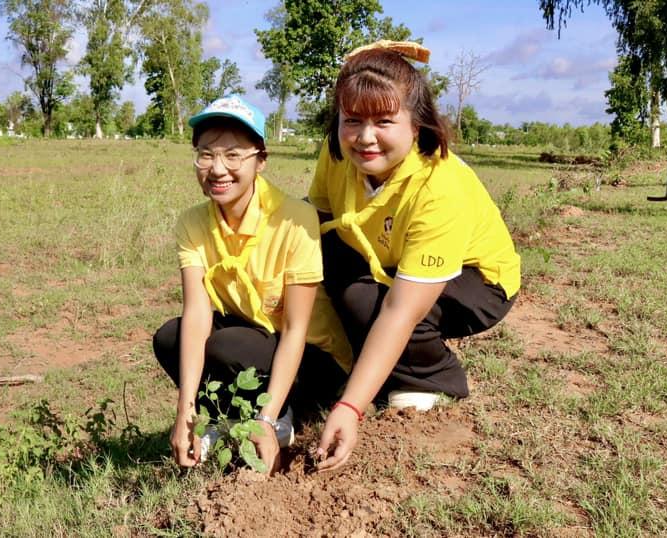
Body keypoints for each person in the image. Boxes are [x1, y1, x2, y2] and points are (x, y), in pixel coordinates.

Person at [307, 43, 521, 471]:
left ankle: (434, 378)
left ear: (416, 122)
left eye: (384, 121)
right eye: (353, 120)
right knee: (307, 258)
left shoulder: (440, 187)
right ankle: (347, 370)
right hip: (387, 260)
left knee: (369, 303)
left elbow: (401, 311)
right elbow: (316, 223)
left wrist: (351, 407)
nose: (365, 138)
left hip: (475, 280)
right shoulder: (336, 153)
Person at [152, 95, 352, 472]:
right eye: (206, 154)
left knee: (228, 345)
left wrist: (267, 415)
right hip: (256, 341)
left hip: (315, 359)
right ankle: (223, 417)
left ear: (260, 160)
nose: (217, 169)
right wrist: (186, 410)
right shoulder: (193, 223)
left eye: (233, 155)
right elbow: (196, 313)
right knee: (171, 338)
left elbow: (295, 330)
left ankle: (278, 417)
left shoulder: (296, 218)